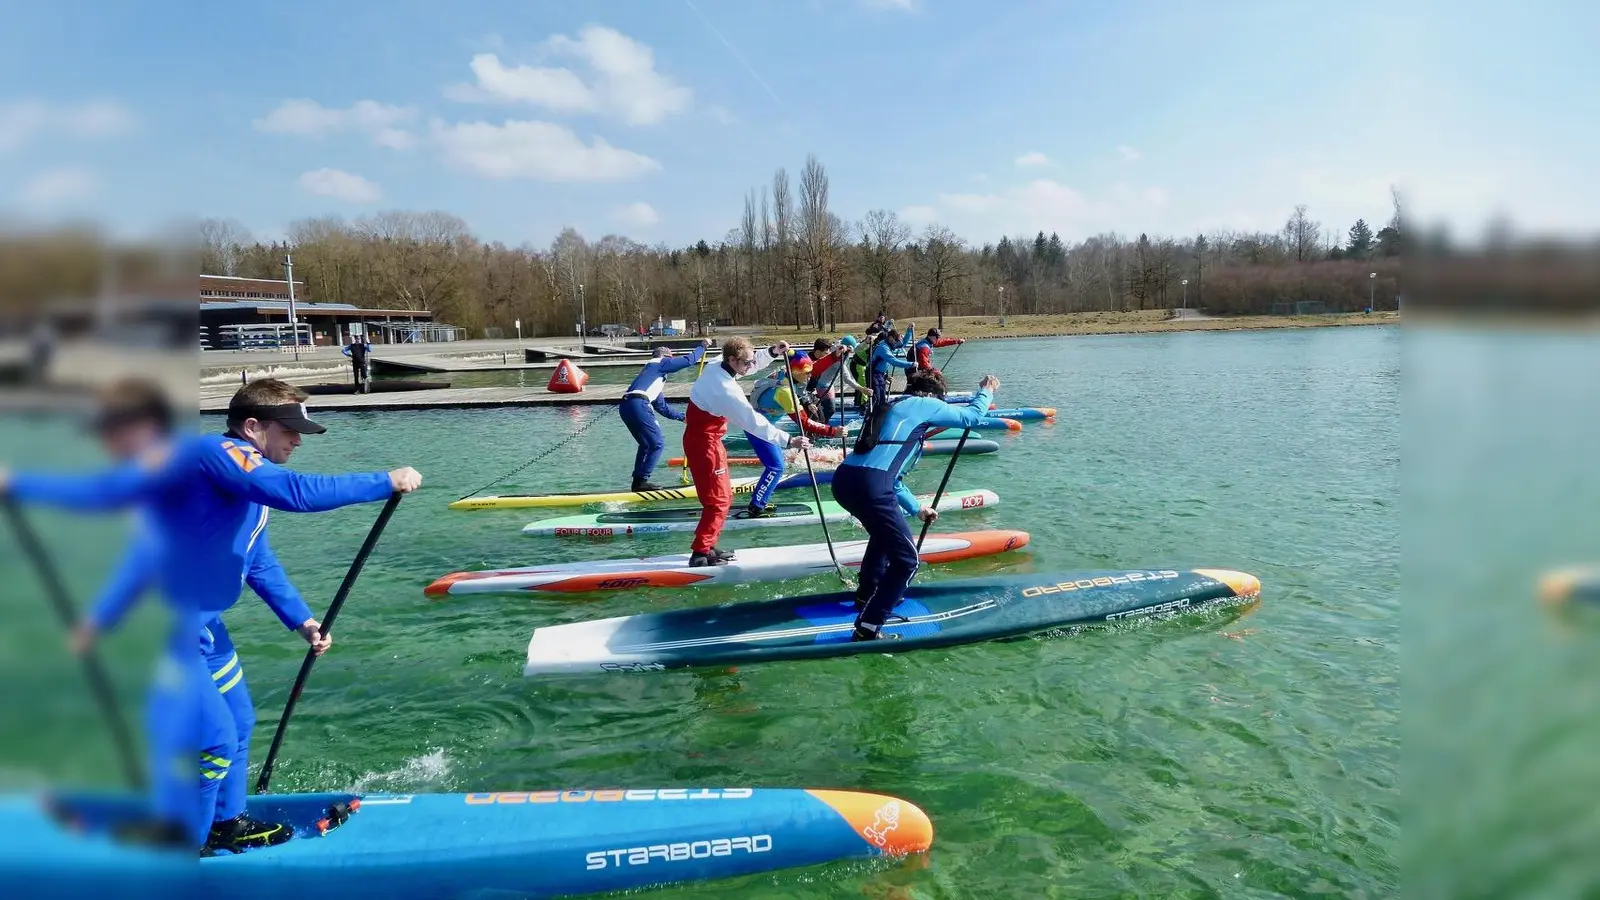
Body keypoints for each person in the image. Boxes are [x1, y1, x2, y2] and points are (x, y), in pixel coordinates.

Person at [0, 377, 423, 855]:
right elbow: (299, 494)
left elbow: (257, 560)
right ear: (251, 426)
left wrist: (302, 620)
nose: (298, 439)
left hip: (200, 628)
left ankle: (225, 824)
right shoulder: (218, 454)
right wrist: (383, 480)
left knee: (240, 722)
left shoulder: (247, 480)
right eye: (289, 428)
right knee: (216, 743)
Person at [830, 369, 999, 642]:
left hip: (844, 481)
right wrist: (987, 389)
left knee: (884, 536)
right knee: (907, 561)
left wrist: (916, 509)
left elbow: (893, 479)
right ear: (934, 395)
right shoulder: (926, 403)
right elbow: (971, 417)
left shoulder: (893, 406)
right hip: (870, 485)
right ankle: (868, 627)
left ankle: (867, 595)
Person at [683, 337, 810, 567]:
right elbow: (753, 422)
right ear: (732, 359)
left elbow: (752, 361)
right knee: (719, 500)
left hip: (709, 441)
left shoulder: (717, 364)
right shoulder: (726, 391)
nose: (751, 367)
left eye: (751, 361)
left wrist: (772, 352)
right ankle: (700, 554)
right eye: (746, 363)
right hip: (704, 444)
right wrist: (789, 440)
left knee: (724, 497)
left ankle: (709, 545)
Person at [619, 339, 710, 492]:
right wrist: (703, 346)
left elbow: (663, 408)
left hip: (627, 406)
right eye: (672, 359)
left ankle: (638, 482)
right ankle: (642, 481)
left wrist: (683, 417)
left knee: (646, 445)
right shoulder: (661, 362)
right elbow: (689, 360)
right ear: (667, 357)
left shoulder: (651, 373)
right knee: (657, 444)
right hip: (638, 404)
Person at [806, 336, 862, 423]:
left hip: (813, 391)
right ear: (817, 352)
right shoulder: (807, 362)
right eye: (825, 353)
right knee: (817, 417)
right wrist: (808, 402)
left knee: (822, 417)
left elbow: (832, 355)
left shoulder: (825, 355)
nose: (827, 355)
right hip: (805, 393)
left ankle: (820, 430)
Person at [868, 324, 917, 409]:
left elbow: (903, 343)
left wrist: (909, 331)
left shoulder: (890, 343)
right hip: (873, 375)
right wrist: (911, 364)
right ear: (891, 338)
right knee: (877, 400)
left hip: (881, 375)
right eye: (895, 341)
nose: (896, 343)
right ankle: (871, 419)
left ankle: (880, 417)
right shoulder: (883, 348)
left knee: (882, 400)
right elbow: (894, 362)